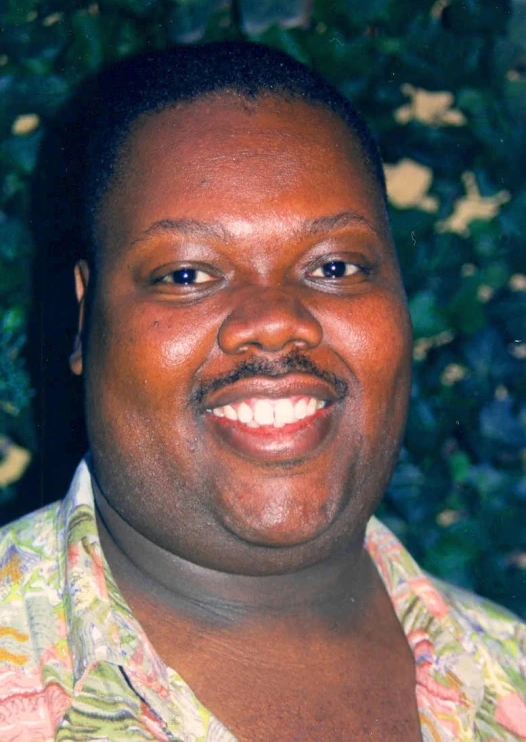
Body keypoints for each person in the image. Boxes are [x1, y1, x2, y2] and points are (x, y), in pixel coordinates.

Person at [0, 41, 524, 742]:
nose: (276, 320)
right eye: (187, 274)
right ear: (84, 318)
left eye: (335, 265)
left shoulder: (509, 672)